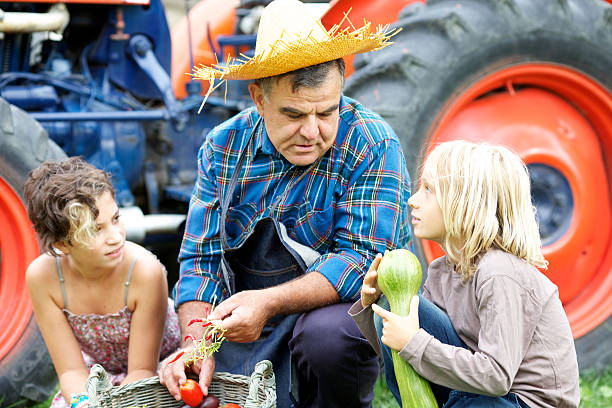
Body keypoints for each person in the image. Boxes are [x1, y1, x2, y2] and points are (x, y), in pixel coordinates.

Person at [157, 0, 411, 406]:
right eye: (294, 114)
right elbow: (200, 261)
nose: (312, 131)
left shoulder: (372, 143)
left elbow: (364, 258)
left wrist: (269, 301)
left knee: (328, 338)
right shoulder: (222, 148)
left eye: (327, 112)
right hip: (248, 323)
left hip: (330, 318)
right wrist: (195, 343)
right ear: (259, 98)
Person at [351, 140, 580, 408]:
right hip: (472, 394)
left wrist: (412, 341)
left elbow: (496, 378)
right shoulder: (441, 272)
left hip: (517, 403)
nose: (412, 200)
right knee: (401, 307)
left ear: (467, 203)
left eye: (428, 190)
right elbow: (414, 359)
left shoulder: (500, 273)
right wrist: (375, 306)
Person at [23, 157, 180, 408]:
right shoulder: (43, 278)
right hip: (97, 377)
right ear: (62, 244)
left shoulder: (144, 272)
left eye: (116, 218)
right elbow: (71, 372)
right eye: (96, 230)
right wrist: (83, 403)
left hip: (155, 373)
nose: (116, 237)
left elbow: (141, 371)